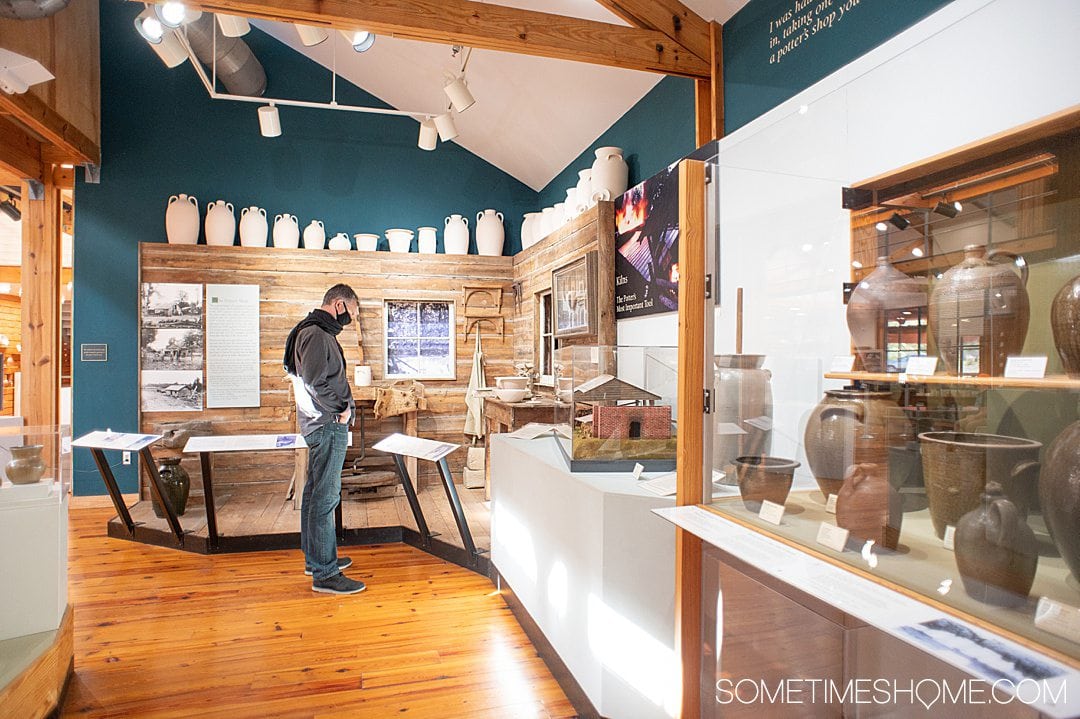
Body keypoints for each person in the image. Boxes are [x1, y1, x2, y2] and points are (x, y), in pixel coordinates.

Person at [283, 284, 366, 595]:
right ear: (339, 304)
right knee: (325, 498)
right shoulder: (317, 334)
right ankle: (325, 574)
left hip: (319, 423)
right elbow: (317, 382)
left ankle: (317, 559)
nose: (351, 320)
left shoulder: (310, 331)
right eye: (352, 313)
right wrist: (342, 410)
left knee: (315, 493)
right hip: (327, 424)